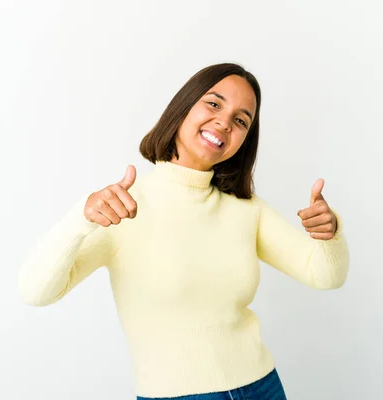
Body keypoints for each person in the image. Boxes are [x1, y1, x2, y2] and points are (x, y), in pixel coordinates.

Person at [18, 63, 350, 400]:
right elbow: (35, 291)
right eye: (214, 104)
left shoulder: (247, 210)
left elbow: (324, 275)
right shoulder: (121, 208)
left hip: (262, 387)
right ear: (183, 107)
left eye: (241, 120)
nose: (224, 122)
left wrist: (329, 232)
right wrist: (81, 217)